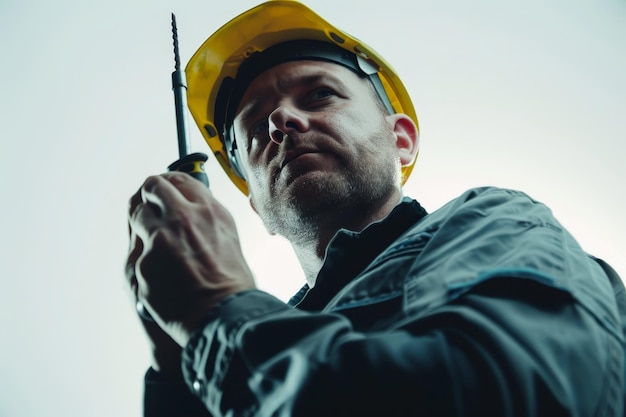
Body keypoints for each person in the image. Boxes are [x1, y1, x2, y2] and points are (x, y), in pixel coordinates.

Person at [126, 1, 626, 416]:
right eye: (256, 129)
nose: (280, 119)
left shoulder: (493, 222)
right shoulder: (248, 343)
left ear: (400, 139)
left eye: (320, 94)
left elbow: (512, 396)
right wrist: (176, 368)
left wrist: (217, 314)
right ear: (254, 202)